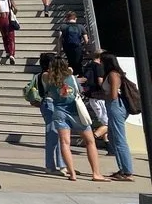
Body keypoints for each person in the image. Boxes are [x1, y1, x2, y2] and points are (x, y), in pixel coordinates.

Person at [43, 55, 107, 181]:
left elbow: (47, 77)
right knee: (90, 141)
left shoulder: (48, 78)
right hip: (76, 111)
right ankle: (96, 173)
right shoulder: (71, 77)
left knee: (64, 143)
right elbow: (77, 87)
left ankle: (72, 173)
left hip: (59, 111)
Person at [25, 53, 67, 175]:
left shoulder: (41, 75)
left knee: (58, 135)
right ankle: (52, 165)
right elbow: (57, 83)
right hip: (50, 104)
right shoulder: (46, 75)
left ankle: (61, 164)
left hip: (49, 105)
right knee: (53, 135)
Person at [101, 53, 135, 181]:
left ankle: (127, 171)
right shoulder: (114, 74)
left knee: (119, 139)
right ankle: (123, 169)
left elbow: (114, 95)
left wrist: (103, 95)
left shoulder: (113, 74)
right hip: (114, 106)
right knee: (114, 137)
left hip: (115, 105)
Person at [81, 48, 110, 150]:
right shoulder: (99, 66)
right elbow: (100, 81)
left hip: (91, 96)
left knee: (104, 121)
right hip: (100, 97)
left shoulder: (88, 65)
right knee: (109, 123)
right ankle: (93, 138)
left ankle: (108, 145)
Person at [58, 12, 89, 77]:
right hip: (78, 47)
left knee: (70, 62)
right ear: (75, 18)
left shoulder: (63, 26)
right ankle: (79, 77)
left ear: (66, 18)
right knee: (78, 63)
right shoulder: (80, 26)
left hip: (67, 47)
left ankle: (70, 77)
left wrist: (59, 51)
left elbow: (59, 39)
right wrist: (86, 50)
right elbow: (86, 40)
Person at [0, 0, 18, 64]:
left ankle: (7, 51)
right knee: (11, 38)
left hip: (2, 20)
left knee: (4, 36)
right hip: (9, 19)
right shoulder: (10, 1)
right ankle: (12, 54)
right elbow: (16, 9)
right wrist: (14, 14)